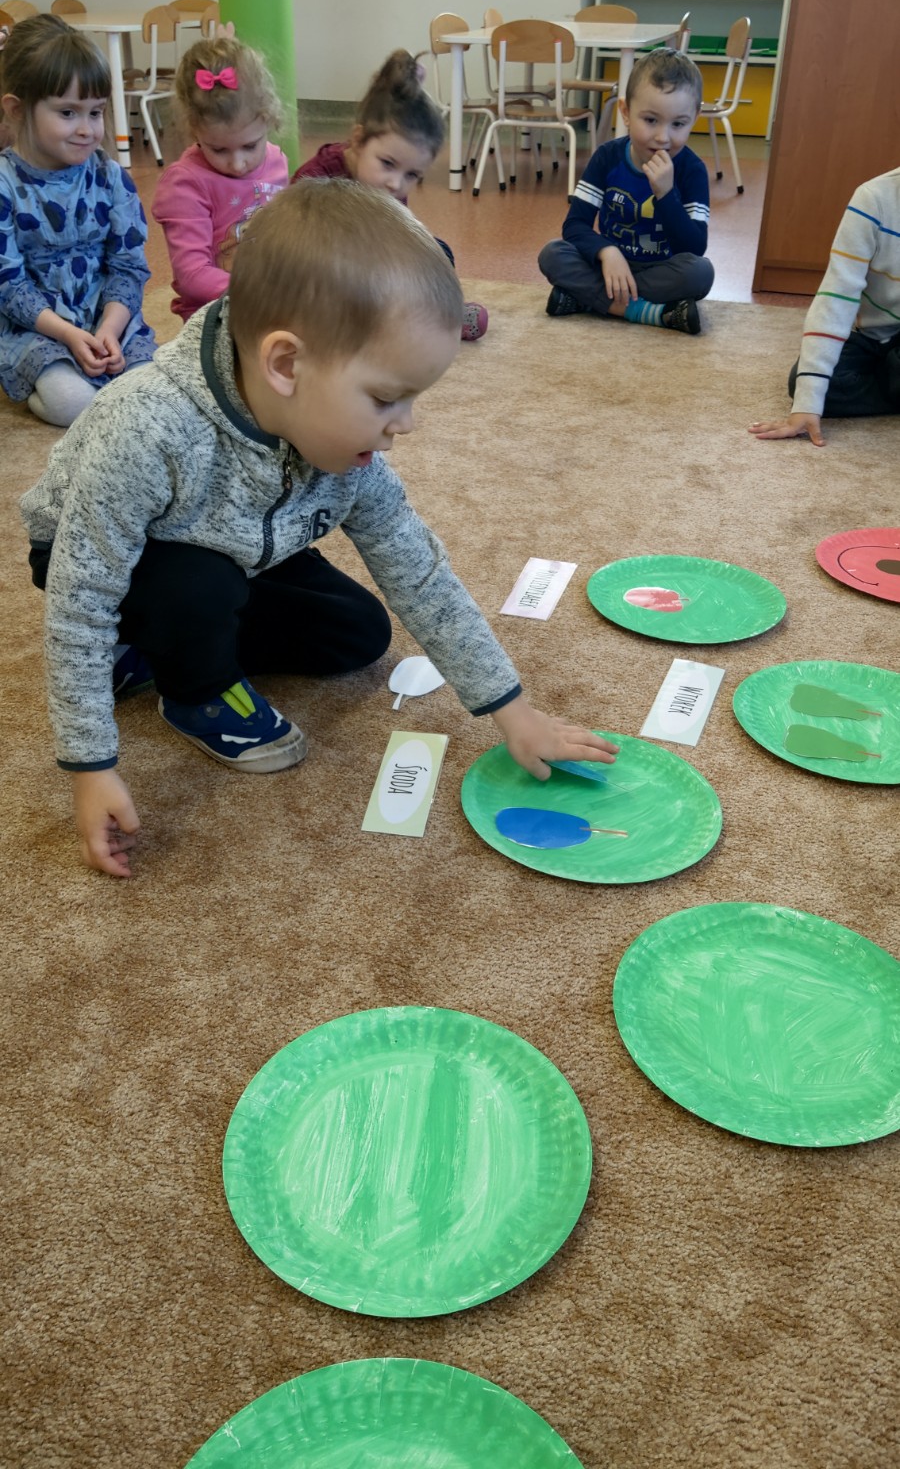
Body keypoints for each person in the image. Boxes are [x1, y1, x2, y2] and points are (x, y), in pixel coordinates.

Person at [21, 180, 618, 879]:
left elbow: (417, 570)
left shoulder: (347, 452)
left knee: (357, 633)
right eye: (387, 398)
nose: (405, 425)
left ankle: (157, 651)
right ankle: (194, 692)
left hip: (238, 543)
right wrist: (91, 765)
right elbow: (82, 594)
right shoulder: (146, 427)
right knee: (196, 590)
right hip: (112, 558)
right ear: (286, 364)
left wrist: (513, 711)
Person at [0, 13, 155, 426]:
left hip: (106, 316)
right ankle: (33, 381)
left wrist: (110, 329)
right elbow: (8, 286)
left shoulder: (111, 176)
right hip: (36, 328)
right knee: (74, 403)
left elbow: (128, 267)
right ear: (17, 109)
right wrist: (68, 334)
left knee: (151, 394)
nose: (87, 129)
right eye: (68, 112)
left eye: (96, 112)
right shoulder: (5, 185)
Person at [292, 48, 488, 342]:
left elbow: (397, 233)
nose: (396, 183)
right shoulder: (315, 178)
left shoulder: (388, 186)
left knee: (437, 251)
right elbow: (297, 252)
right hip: (326, 277)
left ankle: (438, 313)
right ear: (358, 140)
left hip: (375, 267)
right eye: (387, 164)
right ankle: (411, 319)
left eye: (412, 175)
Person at [538, 48, 713, 336]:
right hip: (608, 267)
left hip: (661, 270)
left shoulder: (691, 170)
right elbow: (575, 225)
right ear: (626, 112)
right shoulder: (607, 157)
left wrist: (666, 195)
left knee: (700, 272)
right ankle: (650, 313)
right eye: (651, 120)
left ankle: (587, 299)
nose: (663, 137)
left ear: (695, 118)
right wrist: (606, 252)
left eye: (678, 124)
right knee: (553, 254)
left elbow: (694, 248)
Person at [748, 166, 900, 447]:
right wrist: (809, 401)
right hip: (875, 338)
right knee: (807, 384)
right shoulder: (873, 198)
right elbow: (836, 297)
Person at [152, 34, 288, 322]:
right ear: (193, 129)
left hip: (272, 301)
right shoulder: (185, 183)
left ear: (269, 118)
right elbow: (192, 275)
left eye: (250, 146)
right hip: (214, 313)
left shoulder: (277, 161)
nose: (237, 164)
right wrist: (261, 295)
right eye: (219, 150)